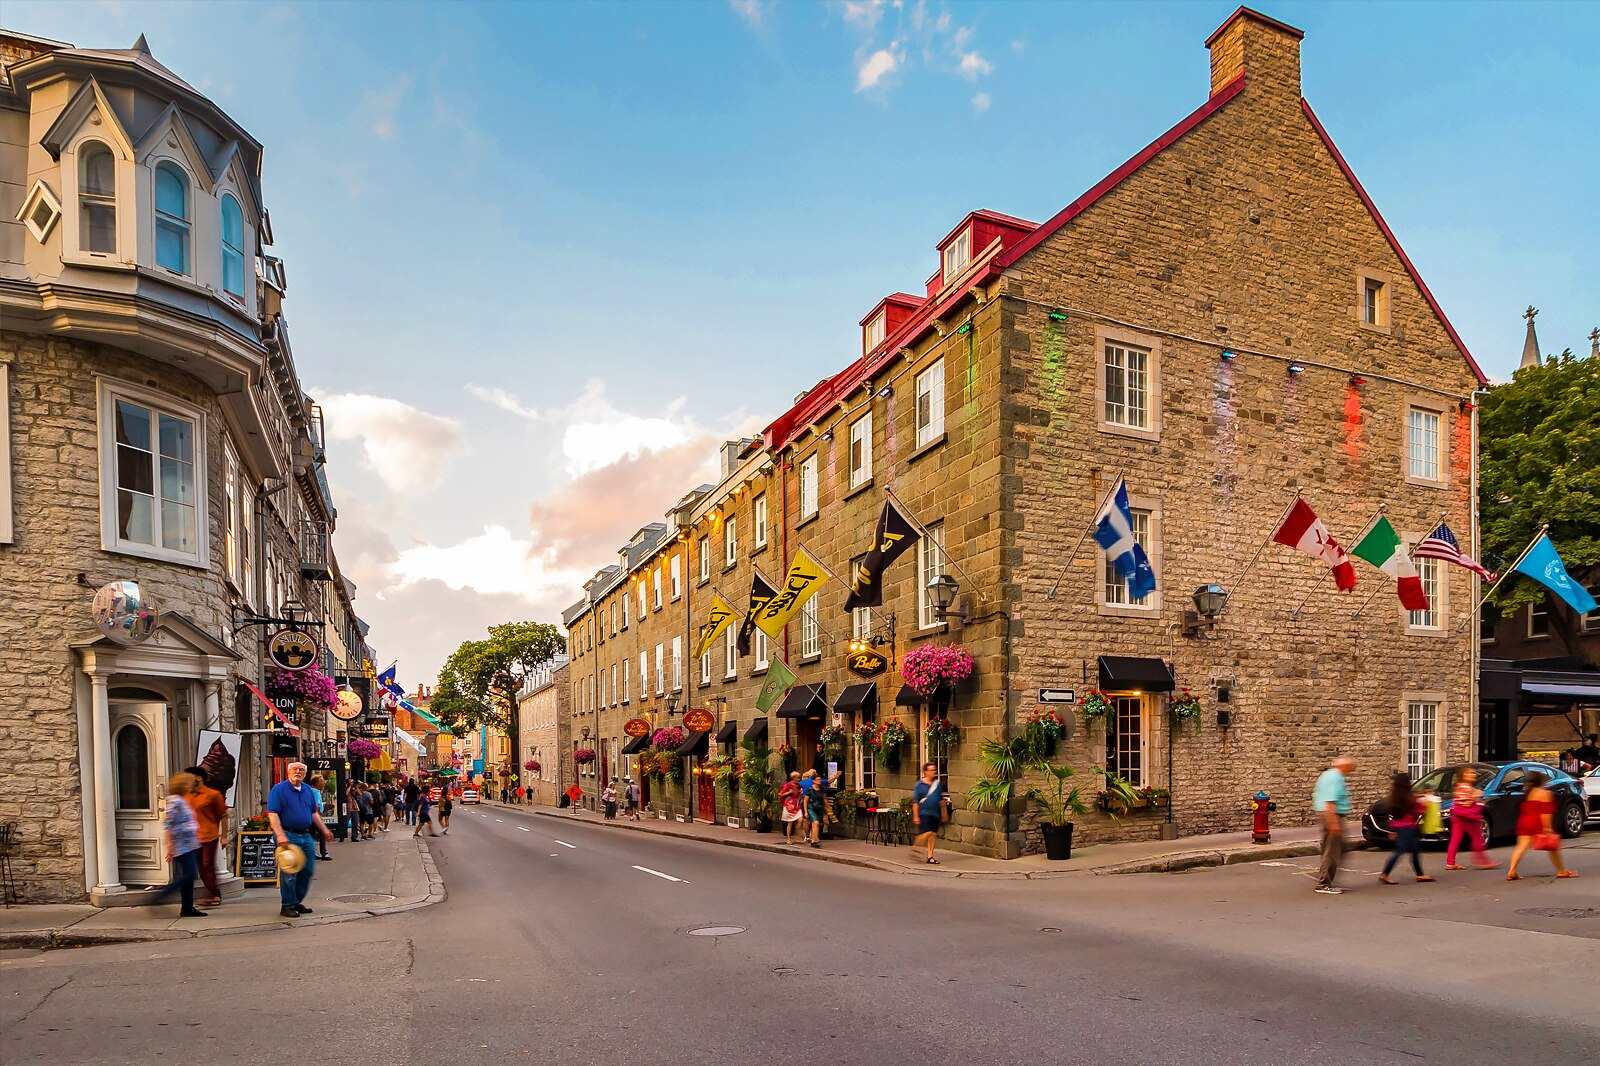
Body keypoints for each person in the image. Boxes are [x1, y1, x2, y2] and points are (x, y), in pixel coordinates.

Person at [267, 761, 333, 918]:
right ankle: (287, 906)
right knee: (290, 872)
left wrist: (324, 830)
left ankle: (296, 901)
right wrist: (280, 835)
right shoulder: (279, 789)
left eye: (301, 770)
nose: (298, 772)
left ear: (305, 774)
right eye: (295, 769)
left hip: (305, 834)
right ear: (288, 772)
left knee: (307, 870)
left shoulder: (308, 790)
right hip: (288, 834)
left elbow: (313, 813)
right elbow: (273, 813)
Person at [1506, 770, 1577, 880]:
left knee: (1521, 847)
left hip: (1524, 821)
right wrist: (1547, 828)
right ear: (1542, 782)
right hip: (1537, 822)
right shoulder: (1545, 793)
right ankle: (1561, 871)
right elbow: (1545, 813)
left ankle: (1512, 870)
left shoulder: (1528, 793)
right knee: (1553, 848)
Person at [153, 771, 207, 918]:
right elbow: (167, 823)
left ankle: (187, 908)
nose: (192, 786)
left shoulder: (181, 799)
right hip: (181, 844)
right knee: (188, 875)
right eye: (189, 783)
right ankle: (161, 895)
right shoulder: (175, 801)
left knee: (189, 878)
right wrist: (170, 846)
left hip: (189, 843)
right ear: (183, 785)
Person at [183, 765, 229, 906]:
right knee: (200, 868)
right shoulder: (186, 796)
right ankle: (211, 893)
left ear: (198, 778)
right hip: (192, 837)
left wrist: (224, 836)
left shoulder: (213, 795)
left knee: (207, 864)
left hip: (209, 835)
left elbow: (223, 815)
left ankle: (215, 894)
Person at [1378, 773, 1434, 885]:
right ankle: (1385, 873)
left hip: (1398, 826)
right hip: (1408, 827)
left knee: (1415, 850)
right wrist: (1426, 803)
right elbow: (1419, 811)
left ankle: (1420, 874)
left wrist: (1392, 831)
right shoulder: (1410, 798)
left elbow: (1393, 814)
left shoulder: (1395, 797)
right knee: (1400, 851)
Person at [1312, 755, 1355, 895]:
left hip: (1327, 815)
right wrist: (1333, 822)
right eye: (1351, 766)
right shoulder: (1336, 778)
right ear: (1344, 766)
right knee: (1333, 852)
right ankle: (1323, 884)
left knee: (1333, 849)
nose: (1353, 769)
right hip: (1332, 815)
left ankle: (1324, 877)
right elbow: (1330, 801)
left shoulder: (1327, 775)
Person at [1444, 765, 1499, 871]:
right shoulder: (1466, 788)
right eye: (1469, 773)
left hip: (1457, 816)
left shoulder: (1461, 786)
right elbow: (1466, 803)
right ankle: (1483, 862)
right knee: (1477, 837)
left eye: (1473, 773)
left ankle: (1450, 862)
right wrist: (1477, 798)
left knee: (1455, 839)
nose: (1473, 775)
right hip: (1466, 817)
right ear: (1463, 775)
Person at [911, 762, 945, 865]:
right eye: (931, 770)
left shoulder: (937, 785)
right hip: (924, 812)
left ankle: (930, 856)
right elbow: (916, 802)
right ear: (925, 772)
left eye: (934, 770)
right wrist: (916, 815)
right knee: (928, 832)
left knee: (933, 834)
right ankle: (916, 846)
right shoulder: (919, 785)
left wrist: (944, 813)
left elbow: (941, 800)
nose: (933, 772)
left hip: (935, 812)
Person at [306, 774, 333, 862]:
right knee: (322, 833)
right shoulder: (315, 792)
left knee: (311, 834)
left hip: (310, 816)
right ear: (316, 783)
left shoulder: (311, 791)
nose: (324, 783)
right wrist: (319, 819)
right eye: (321, 781)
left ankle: (311, 853)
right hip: (315, 816)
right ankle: (324, 853)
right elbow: (316, 806)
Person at [778, 772, 804, 843]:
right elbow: (780, 795)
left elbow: (799, 794)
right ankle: (789, 839)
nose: (798, 779)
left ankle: (797, 832)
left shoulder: (799, 785)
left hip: (796, 804)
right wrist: (788, 792)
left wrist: (800, 793)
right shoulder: (788, 785)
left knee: (801, 819)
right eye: (797, 778)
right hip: (789, 804)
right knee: (790, 823)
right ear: (794, 778)